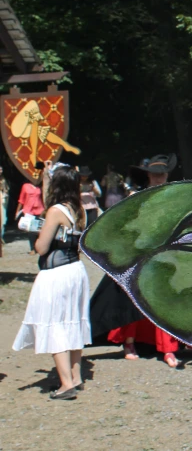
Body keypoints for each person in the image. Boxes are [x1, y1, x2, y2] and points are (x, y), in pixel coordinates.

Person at [94, 154, 182, 367]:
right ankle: (129, 343)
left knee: (163, 301)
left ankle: (169, 350)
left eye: (161, 174)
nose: (158, 178)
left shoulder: (175, 195)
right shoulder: (136, 196)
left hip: (164, 252)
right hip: (138, 253)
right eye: (154, 174)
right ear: (148, 175)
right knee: (132, 298)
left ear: (167, 174)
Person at [12, 164, 91, 400]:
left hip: (56, 273)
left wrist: (38, 232)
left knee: (55, 323)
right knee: (73, 322)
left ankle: (66, 384)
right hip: (75, 270)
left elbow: (41, 247)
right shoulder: (80, 209)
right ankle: (76, 376)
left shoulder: (55, 211)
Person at [15, 179, 44, 254]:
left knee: (39, 230)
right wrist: (17, 211)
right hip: (29, 210)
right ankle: (32, 249)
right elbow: (21, 200)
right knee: (31, 231)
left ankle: (39, 247)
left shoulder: (40, 186)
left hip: (39, 210)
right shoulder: (25, 186)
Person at [0, 165, 8, 244]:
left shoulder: (3, 180)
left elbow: (5, 189)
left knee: (2, 219)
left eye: (1, 169)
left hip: (2, 200)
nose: (0, 171)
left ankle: (1, 237)